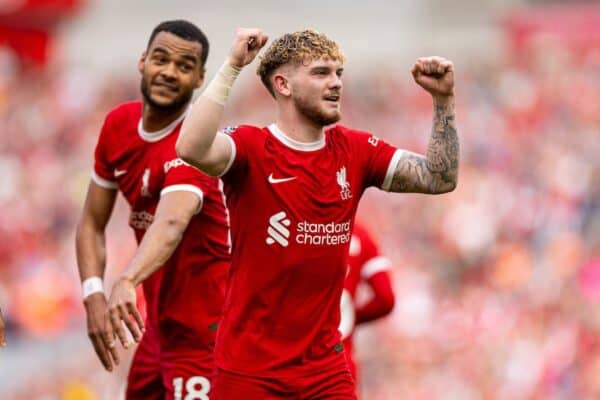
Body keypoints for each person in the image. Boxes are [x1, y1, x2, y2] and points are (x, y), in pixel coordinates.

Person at [174, 27, 458, 399]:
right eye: (321, 73)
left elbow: (439, 178)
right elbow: (191, 147)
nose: (336, 83)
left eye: (338, 72)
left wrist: (444, 101)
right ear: (284, 85)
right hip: (248, 372)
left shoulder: (357, 150)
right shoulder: (251, 148)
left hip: (324, 372)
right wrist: (231, 66)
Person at [75, 20, 230, 399]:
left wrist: (126, 280)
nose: (169, 72)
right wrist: (93, 292)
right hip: (159, 331)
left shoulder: (196, 143)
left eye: (184, 66)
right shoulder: (118, 126)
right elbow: (92, 222)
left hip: (208, 335)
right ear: (143, 61)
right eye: (161, 59)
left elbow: (171, 222)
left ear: (199, 80)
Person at [338, 222, 395, 391]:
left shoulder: (298, 231)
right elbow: (386, 299)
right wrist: (349, 318)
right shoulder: (360, 235)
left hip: (289, 363)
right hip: (340, 364)